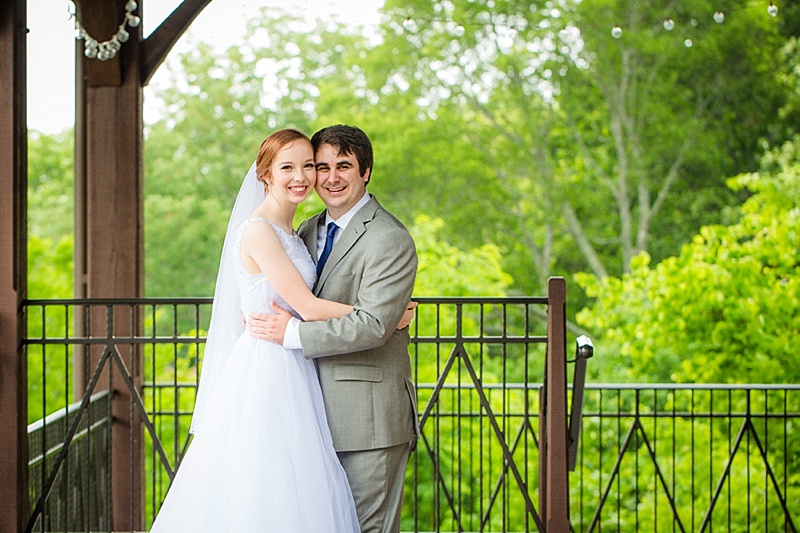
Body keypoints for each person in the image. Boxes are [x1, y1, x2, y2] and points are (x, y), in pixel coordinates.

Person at [150, 129, 365, 532]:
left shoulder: (293, 231)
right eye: (287, 167)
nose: (300, 176)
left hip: (294, 360)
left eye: (308, 166)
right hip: (268, 368)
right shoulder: (259, 231)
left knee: (301, 479)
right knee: (267, 480)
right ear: (265, 175)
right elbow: (306, 305)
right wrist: (379, 313)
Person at [248, 124, 419, 533]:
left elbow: (373, 326)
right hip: (306, 410)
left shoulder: (389, 238)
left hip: (368, 421)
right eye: (320, 166)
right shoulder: (304, 230)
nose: (330, 177)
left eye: (344, 166)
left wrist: (290, 333)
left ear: (366, 172)